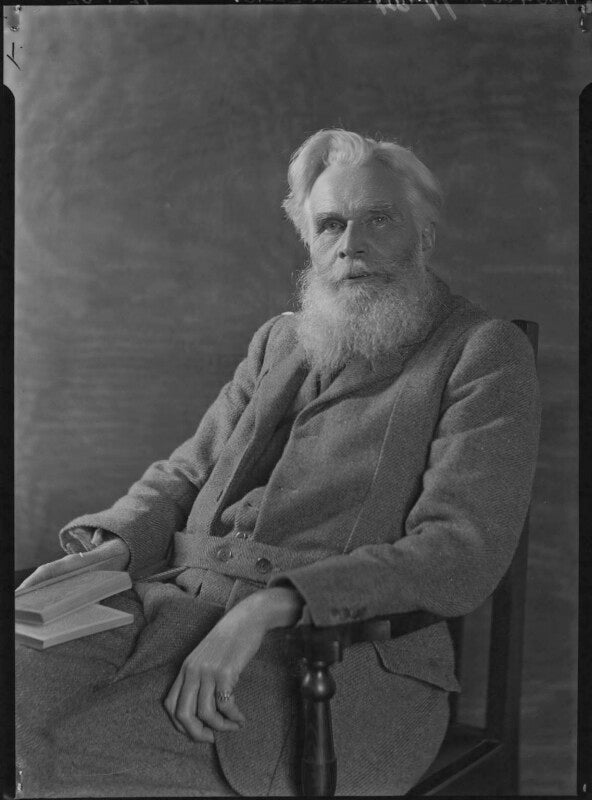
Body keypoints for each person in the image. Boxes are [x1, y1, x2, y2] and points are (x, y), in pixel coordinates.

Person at [15, 128, 541, 797]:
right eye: (330, 225)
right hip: (172, 615)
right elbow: (186, 474)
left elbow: (458, 552)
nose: (351, 245)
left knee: (61, 763)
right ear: (310, 242)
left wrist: (270, 607)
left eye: (379, 219)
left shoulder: (481, 351)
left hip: (335, 667)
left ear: (424, 236)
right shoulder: (280, 340)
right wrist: (111, 550)